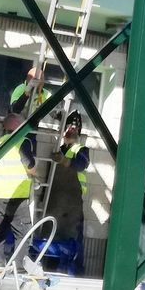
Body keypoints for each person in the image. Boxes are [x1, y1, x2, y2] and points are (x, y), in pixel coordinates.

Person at [0, 112, 38, 265]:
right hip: (17, 195)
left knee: (0, 232)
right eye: (22, 123)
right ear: (16, 126)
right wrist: (35, 171)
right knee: (23, 233)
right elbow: (30, 167)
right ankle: (19, 266)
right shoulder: (22, 141)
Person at [43, 112, 90, 273]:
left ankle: (75, 272)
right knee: (51, 235)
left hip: (73, 204)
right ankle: (50, 267)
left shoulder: (81, 149)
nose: (72, 129)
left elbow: (82, 164)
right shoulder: (58, 149)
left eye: (75, 127)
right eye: (69, 126)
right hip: (55, 201)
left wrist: (64, 160)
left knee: (73, 238)